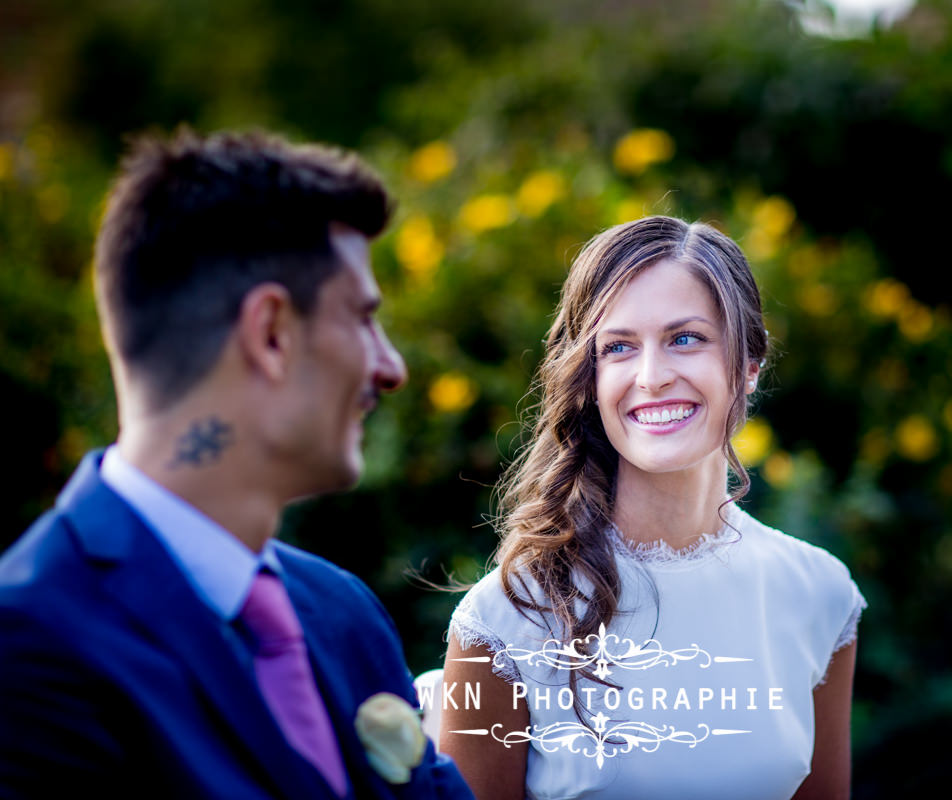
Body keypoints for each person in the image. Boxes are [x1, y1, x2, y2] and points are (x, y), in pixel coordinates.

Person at [0, 130, 474, 800]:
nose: (390, 367)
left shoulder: (343, 613)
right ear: (271, 333)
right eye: (364, 319)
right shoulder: (30, 647)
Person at [439, 216, 865, 800]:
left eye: (685, 338)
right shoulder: (506, 619)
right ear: (589, 380)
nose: (652, 377)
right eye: (618, 347)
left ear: (748, 365)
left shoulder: (821, 594)